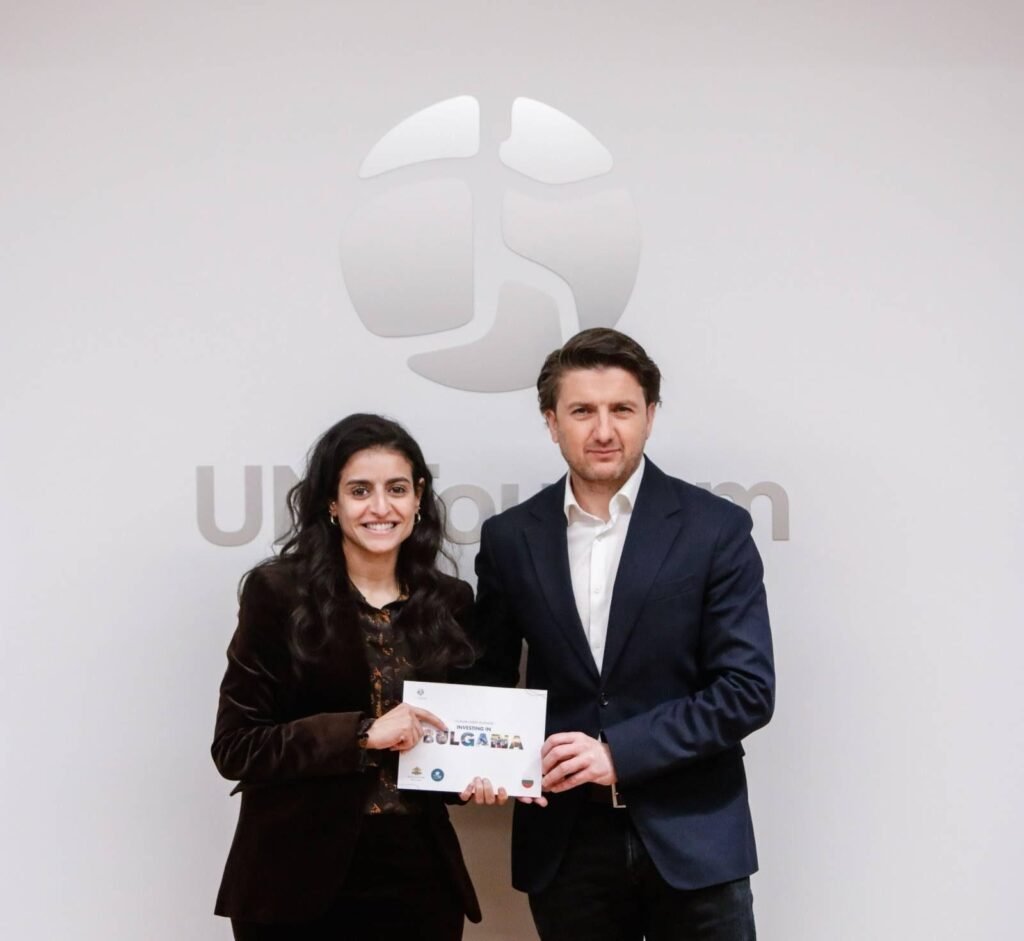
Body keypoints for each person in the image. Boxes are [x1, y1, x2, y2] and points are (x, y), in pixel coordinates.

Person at [473, 329, 775, 941]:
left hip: (695, 839)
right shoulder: (510, 538)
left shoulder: (716, 529)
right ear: (551, 422)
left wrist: (618, 753)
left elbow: (746, 691)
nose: (603, 430)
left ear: (650, 416)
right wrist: (482, 760)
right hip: (566, 847)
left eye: (622, 409)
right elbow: (489, 681)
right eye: (583, 411)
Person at [212, 414, 505, 941]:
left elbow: (451, 740)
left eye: (397, 489)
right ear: (332, 502)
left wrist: (479, 775)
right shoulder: (278, 594)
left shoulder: (449, 602)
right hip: (293, 877)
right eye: (360, 491)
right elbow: (236, 747)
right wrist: (363, 733)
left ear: (418, 498)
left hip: (418, 876)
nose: (380, 507)